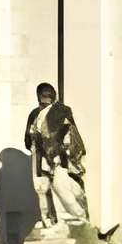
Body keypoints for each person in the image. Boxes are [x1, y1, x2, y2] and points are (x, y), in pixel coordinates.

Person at [25, 84, 90, 229]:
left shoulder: (52, 113)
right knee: (48, 189)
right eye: (45, 95)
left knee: (56, 189)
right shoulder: (42, 113)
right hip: (48, 158)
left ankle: (64, 221)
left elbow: (71, 136)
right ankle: (53, 222)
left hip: (53, 159)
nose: (46, 98)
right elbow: (28, 140)